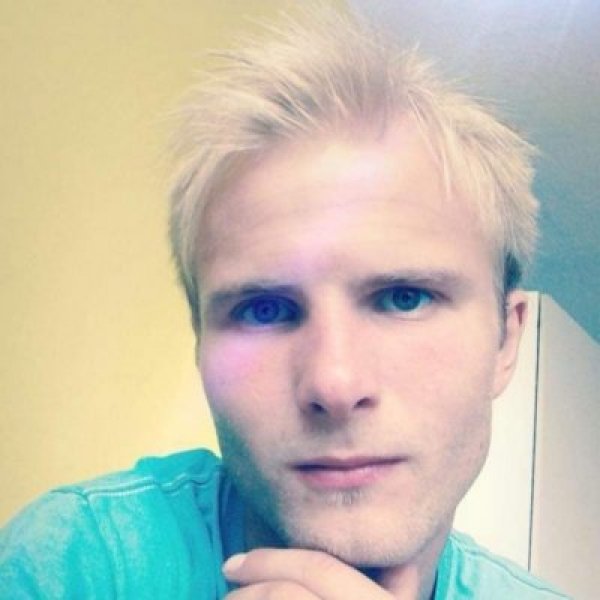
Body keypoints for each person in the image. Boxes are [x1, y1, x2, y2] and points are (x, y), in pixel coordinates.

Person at [1, 6, 568, 599]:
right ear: (200, 343)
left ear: (506, 339)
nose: (334, 384)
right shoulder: (77, 563)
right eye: (264, 310)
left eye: (404, 299)